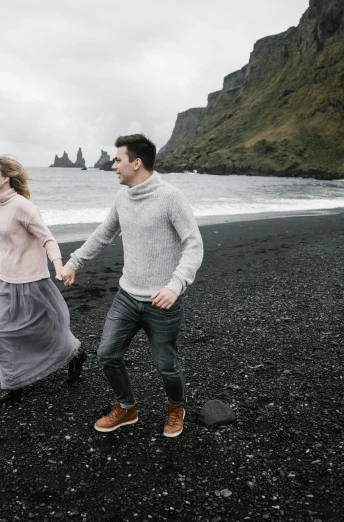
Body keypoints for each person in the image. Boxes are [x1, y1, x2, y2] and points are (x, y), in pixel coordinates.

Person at [61, 134, 203, 437]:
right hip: (127, 296)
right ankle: (127, 408)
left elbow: (194, 245)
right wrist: (74, 262)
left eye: (118, 160)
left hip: (163, 301)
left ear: (136, 163)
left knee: (166, 364)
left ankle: (176, 407)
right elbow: (104, 233)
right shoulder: (122, 198)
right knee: (107, 354)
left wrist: (175, 286)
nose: (113, 166)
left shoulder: (171, 197)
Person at [0, 156, 87, 406]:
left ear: (5, 178)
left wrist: (59, 268)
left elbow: (48, 240)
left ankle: (75, 353)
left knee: (41, 330)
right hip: (6, 280)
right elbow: (7, 246)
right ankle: (12, 386)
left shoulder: (23, 207)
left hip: (30, 282)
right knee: (2, 332)